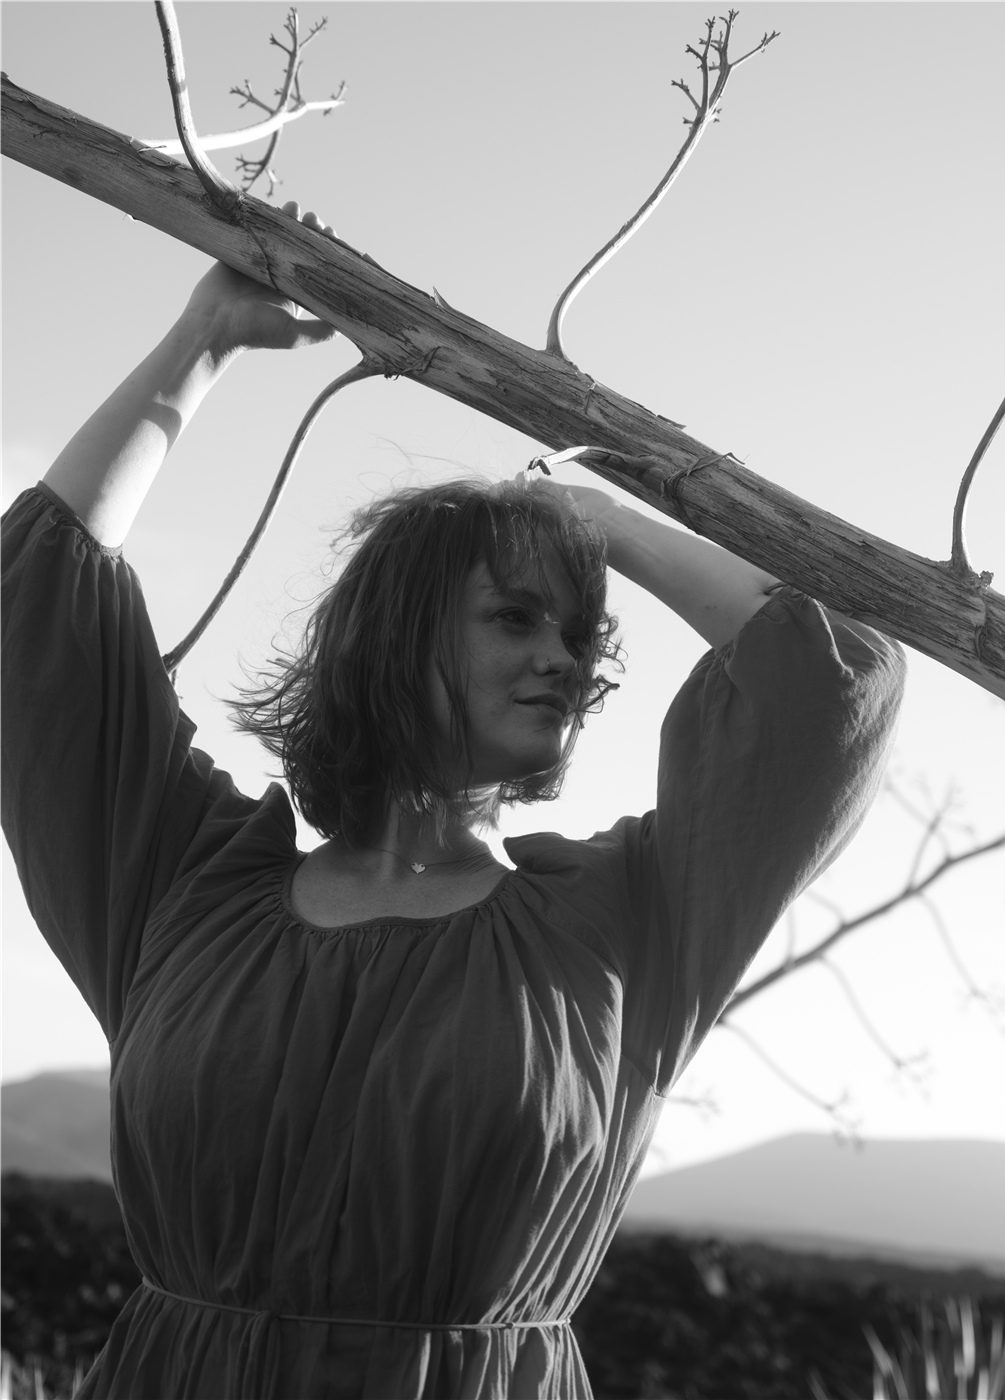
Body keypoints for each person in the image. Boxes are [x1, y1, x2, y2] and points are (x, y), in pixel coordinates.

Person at [2, 203, 905, 1400]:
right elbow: (37, 610)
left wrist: (602, 522)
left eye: (578, 633)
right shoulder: (183, 887)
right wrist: (203, 337)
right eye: (515, 616)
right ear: (398, 633)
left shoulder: (626, 929)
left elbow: (833, 685)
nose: (563, 658)